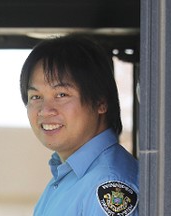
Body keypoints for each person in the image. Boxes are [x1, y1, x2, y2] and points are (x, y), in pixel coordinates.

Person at [19, 35, 139, 216]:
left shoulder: (108, 186)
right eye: (36, 97)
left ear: (101, 102)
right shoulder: (66, 177)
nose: (45, 110)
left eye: (61, 95)